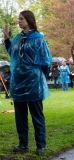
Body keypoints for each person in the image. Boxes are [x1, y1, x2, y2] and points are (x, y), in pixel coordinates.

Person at [3, 10, 52, 155]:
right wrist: (7, 39)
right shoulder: (18, 38)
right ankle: (23, 144)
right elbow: (13, 53)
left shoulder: (38, 38)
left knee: (37, 115)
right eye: (18, 19)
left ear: (29, 20)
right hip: (18, 83)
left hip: (33, 82)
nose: (19, 21)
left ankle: (40, 145)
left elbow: (45, 60)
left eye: (21, 19)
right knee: (20, 117)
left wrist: (39, 76)